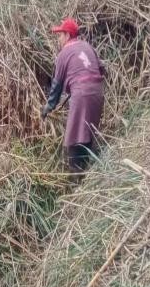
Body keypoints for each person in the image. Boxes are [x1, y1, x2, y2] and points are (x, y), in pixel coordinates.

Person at [41, 17, 105, 183]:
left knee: (74, 137)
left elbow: (56, 85)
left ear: (68, 35)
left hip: (82, 94)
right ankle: (86, 174)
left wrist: (48, 107)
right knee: (87, 133)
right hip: (97, 92)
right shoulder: (87, 46)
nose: (59, 39)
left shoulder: (64, 53)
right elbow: (101, 69)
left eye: (60, 35)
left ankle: (75, 181)